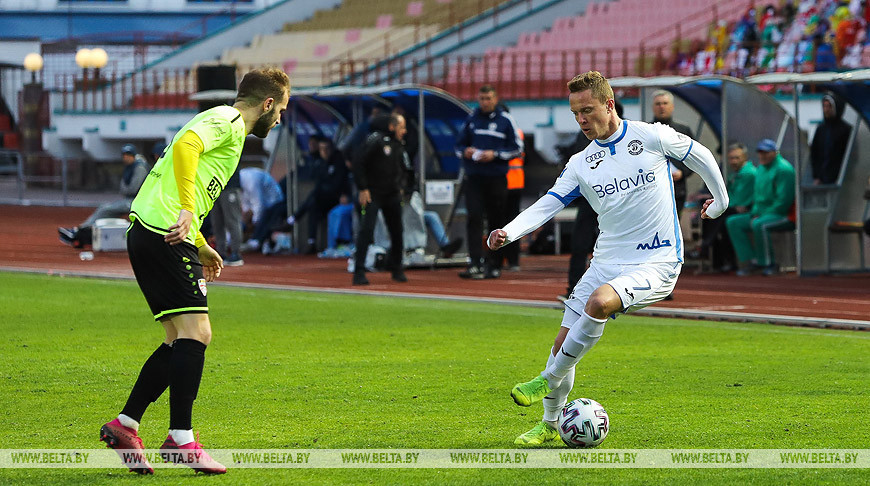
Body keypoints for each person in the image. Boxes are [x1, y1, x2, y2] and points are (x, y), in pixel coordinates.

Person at [487, 71, 728, 446]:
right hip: (606, 261)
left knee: (599, 303)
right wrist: (510, 231)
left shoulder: (650, 135)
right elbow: (549, 203)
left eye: (588, 110)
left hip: (657, 262)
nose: (582, 120)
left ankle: (547, 380)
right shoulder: (581, 163)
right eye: (575, 114)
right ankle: (550, 426)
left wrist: (721, 201)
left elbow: (702, 155)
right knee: (561, 345)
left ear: (609, 104)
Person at [99, 67, 289, 475]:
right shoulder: (228, 119)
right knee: (198, 333)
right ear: (268, 103)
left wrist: (202, 244)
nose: (280, 119)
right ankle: (181, 440)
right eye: (282, 110)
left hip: (155, 231)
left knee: (177, 339)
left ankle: (125, 425)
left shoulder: (228, 127)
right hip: (166, 231)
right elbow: (186, 148)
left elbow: (193, 184)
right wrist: (187, 211)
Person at [454, 85, 523, 279]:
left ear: (495, 99)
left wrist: (495, 154)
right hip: (474, 177)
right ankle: (475, 263)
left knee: (496, 222)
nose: (485, 102)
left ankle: (494, 264)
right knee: (474, 218)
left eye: (488, 98)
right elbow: (458, 146)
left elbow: (517, 148)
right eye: (482, 98)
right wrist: (466, 152)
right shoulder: (471, 119)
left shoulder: (505, 120)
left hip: (496, 178)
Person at [352, 113, 413, 285]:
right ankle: (359, 271)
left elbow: (406, 168)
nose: (405, 131)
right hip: (374, 193)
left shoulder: (399, 145)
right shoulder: (376, 140)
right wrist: (363, 187)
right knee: (366, 230)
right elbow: (359, 162)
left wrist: (404, 187)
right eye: (402, 127)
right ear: (392, 127)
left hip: (392, 194)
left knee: (397, 232)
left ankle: (397, 268)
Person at [725, 139, 795, 276]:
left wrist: (762, 214)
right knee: (733, 222)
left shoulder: (784, 169)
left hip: (783, 215)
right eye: (760, 152)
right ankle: (751, 261)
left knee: (759, 224)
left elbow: (784, 201)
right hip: (762, 213)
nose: (762, 156)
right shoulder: (761, 169)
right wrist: (756, 212)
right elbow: (757, 196)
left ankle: (769, 263)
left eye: (766, 153)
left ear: (775, 153)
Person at [58, 144, 149, 247]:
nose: (125, 157)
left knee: (106, 209)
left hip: (138, 201)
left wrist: (125, 190)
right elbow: (124, 187)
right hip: (132, 199)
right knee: (105, 209)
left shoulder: (140, 167)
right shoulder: (131, 166)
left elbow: (132, 189)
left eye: (128, 154)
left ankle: (80, 231)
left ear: (133, 155)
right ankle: (81, 231)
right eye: (123, 154)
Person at [689, 142, 756, 272]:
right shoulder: (734, 174)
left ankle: (704, 246)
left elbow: (740, 200)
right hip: (734, 207)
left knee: (718, 216)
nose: (733, 161)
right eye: (731, 158)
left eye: (737, 158)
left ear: (745, 158)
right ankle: (712, 253)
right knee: (712, 215)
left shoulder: (749, 174)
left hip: (746, 209)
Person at [287, 138, 351, 254]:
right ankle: (312, 242)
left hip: (338, 198)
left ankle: (293, 219)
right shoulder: (321, 163)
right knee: (313, 205)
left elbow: (343, 181)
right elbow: (319, 183)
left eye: (327, 149)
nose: (324, 152)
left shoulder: (339, 161)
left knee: (315, 196)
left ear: (332, 149)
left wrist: (345, 194)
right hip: (324, 200)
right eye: (322, 149)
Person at [651, 89, 695, 215]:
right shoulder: (645, 130)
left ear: (672, 106)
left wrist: (683, 173)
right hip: (653, 189)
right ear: (653, 107)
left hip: (678, 189)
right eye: (658, 104)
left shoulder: (683, 130)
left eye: (665, 103)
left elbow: (693, 159)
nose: (661, 107)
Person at [239, 167, 284, 253]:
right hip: (263, 201)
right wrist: (246, 220)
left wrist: (254, 222)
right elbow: (245, 204)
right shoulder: (240, 183)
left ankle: (256, 240)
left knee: (265, 214)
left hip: (274, 200)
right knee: (248, 217)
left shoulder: (250, 181)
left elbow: (259, 204)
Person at [810, 92, 851, 185]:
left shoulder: (845, 129)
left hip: (839, 177)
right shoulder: (821, 129)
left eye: (829, 106)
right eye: (824, 106)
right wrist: (816, 175)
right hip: (822, 178)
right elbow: (814, 153)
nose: (826, 110)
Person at [210, 167, 244, 266]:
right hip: (216, 186)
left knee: (232, 221)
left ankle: (236, 253)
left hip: (230, 187)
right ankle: (221, 253)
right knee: (217, 222)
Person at [503, 128, 525, 271]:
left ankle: (504, 260)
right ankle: (513, 261)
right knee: (513, 221)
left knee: (502, 221)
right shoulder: (518, 132)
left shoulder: (506, 130)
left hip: (505, 183)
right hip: (517, 182)